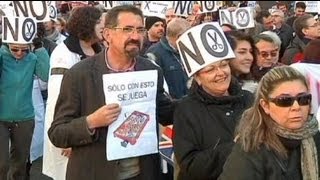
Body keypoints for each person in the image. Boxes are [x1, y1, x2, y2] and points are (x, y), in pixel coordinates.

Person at [48, 5, 173, 180]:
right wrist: (91, 121)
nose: (135, 36)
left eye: (140, 30)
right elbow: (57, 133)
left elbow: (164, 111)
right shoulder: (79, 74)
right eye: (127, 29)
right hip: (94, 173)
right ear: (107, 34)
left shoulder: (151, 70)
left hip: (142, 173)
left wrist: (203, 86)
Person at [219, 66, 320, 180]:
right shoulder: (251, 148)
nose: (296, 107)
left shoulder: (314, 135)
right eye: (285, 101)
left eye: (303, 99)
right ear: (265, 106)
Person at [42, 6, 103, 180]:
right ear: (87, 24)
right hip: (71, 129)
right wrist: (66, 137)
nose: (103, 25)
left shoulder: (98, 50)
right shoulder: (63, 53)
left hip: (91, 128)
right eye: (98, 21)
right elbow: (56, 98)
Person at [173, 56, 253, 179]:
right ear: (197, 78)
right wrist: (235, 147)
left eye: (224, 65)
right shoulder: (186, 110)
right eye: (210, 70)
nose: (220, 73)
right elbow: (190, 166)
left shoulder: (249, 99)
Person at [0, 41, 50, 179]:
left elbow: (45, 75)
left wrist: (39, 48)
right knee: (2, 164)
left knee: (20, 164)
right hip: (1, 117)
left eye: (24, 50)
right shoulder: (2, 56)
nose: (19, 53)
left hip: (25, 117)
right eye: (15, 49)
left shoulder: (32, 58)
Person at [145, 18, 190, 99]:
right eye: (189, 36)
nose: (191, 40)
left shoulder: (188, 50)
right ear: (180, 37)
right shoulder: (154, 53)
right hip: (171, 107)